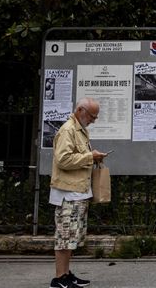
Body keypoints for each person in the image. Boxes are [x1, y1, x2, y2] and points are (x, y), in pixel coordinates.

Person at [49, 97, 107, 288]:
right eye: (92, 115)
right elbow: (63, 160)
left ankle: (66, 274)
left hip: (78, 191)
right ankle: (59, 278)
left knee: (72, 237)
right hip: (68, 193)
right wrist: (90, 156)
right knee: (64, 237)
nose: (93, 120)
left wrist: (92, 157)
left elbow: (76, 156)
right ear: (81, 111)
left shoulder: (80, 130)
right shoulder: (68, 130)